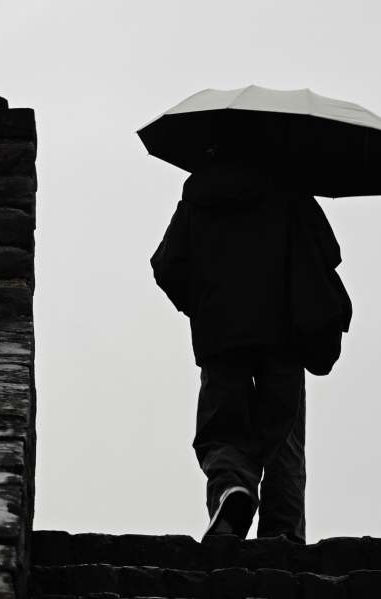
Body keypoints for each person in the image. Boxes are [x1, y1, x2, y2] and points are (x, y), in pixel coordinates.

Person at [150, 153, 351, 544]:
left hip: (221, 336)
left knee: (222, 428)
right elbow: (326, 256)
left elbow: (167, 265)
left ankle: (231, 490)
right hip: (284, 338)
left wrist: (204, 304)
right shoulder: (291, 192)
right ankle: (283, 531)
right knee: (283, 438)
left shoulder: (199, 196)